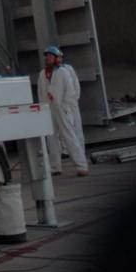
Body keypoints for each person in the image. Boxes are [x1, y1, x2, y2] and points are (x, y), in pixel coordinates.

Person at [37, 44, 88, 176]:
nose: (47, 58)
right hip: (49, 109)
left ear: (57, 58)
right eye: (46, 56)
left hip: (62, 109)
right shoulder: (43, 74)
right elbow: (40, 92)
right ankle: (55, 167)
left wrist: (66, 108)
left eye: (50, 56)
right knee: (52, 139)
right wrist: (43, 108)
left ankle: (81, 166)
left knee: (69, 137)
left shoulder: (63, 72)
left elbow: (71, 92)